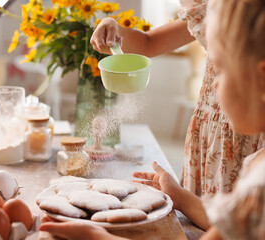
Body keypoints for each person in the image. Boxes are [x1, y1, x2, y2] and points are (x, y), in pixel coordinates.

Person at [40, 0, 265, 239]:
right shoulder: (257, 167)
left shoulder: (257, 183)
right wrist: (181, 198)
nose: (213, 83)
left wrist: (99, 237)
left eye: (218, 69)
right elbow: (228, 229)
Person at [91, 0, 265, 197]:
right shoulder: (219, 8)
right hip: (210, 130)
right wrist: (111, 26)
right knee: (201, 215)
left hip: (246, 136)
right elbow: (149, 43)